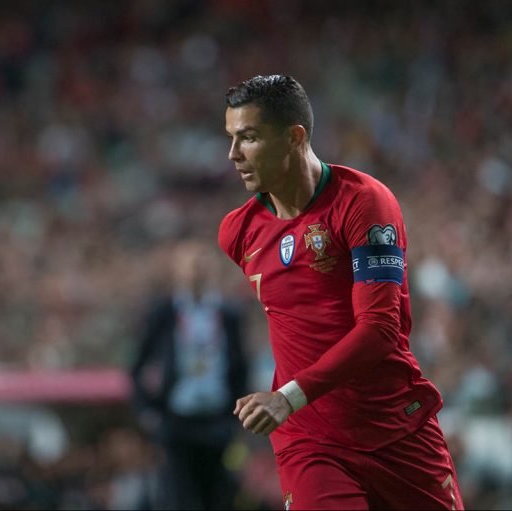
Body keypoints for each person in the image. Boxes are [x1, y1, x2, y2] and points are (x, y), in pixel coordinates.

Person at [218, 75, 464, 510]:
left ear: (295, 137)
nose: (233, 154)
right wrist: (292, 404)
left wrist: (286, 396)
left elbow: (380, 330)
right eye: (232, 138)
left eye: (249, 137)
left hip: (395, 429)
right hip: (310, 441)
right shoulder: (238, 232)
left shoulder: (363, 203)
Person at [130, 239, 248, 510]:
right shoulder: (163, 314)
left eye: (202, 264)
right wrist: (147, 411)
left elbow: (241, 365)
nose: (197, 271)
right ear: (178, 271)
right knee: (179, 497)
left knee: (218, 496)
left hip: (217, 420)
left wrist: (237, 415)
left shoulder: (227, 315)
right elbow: (137, 366)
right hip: (176, 421)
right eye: (191, 265)